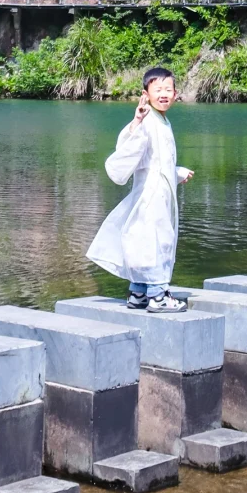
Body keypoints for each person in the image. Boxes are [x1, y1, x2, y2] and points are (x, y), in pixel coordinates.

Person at [86, 65, 195, 313]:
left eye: (169, 89)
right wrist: (137, 120)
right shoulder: (148, 121)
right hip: (151, 196)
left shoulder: (161, 121)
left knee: (144, 241)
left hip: (158, 192)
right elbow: (130, 148)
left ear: (176, 94)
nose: (164, 94)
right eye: (158, 90)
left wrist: (176, 172)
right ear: (145, 94)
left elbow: (156, 161)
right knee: (156, 241)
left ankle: (139, 292)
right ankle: (158, 295)